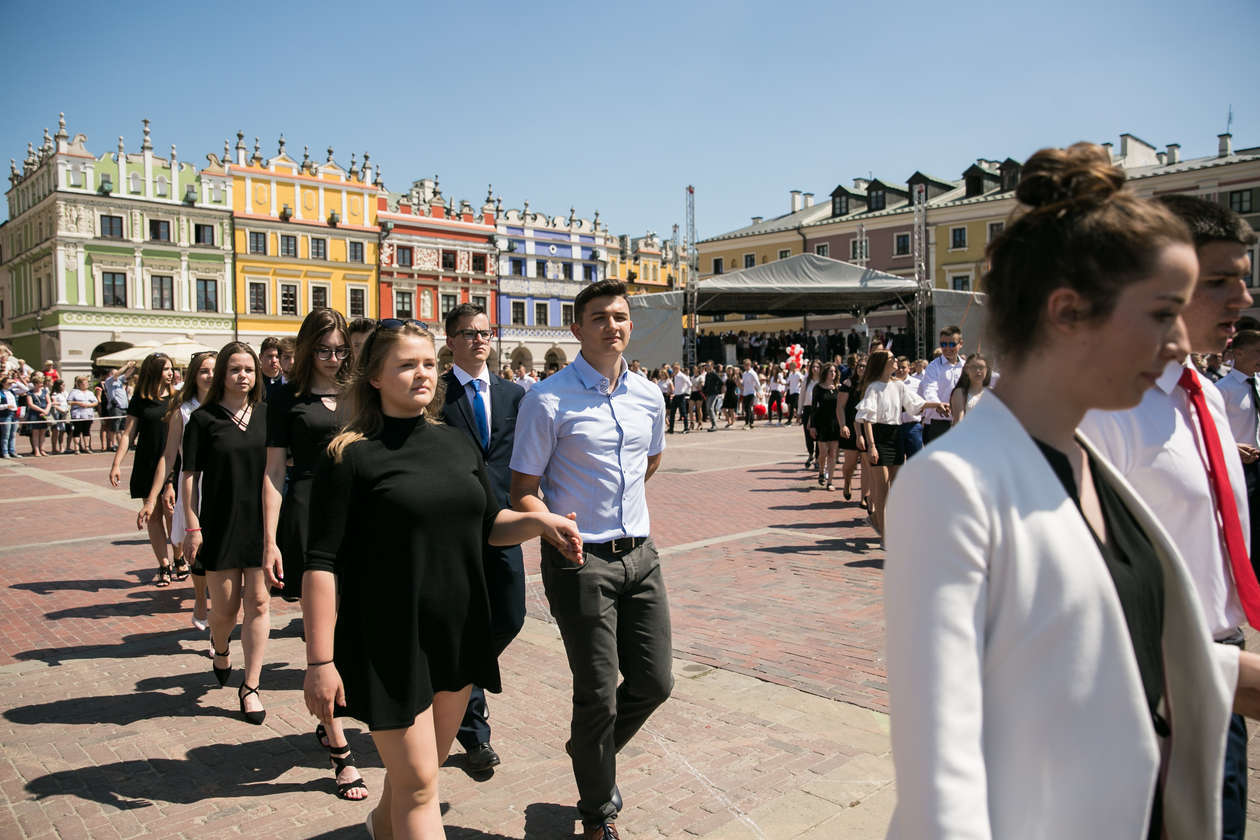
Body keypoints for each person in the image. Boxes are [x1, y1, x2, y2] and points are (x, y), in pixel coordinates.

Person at [885, 141, 1260, 839]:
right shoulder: (953, 483)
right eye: (1160, 314)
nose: (1177, 345)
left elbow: (1119, 651)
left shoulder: (1089, 463)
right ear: (1067, 312)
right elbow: (944, 786)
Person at [302, 319, 581, 840]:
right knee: (421, 786)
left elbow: (490, 525)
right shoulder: (349, 455)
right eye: (407, 365)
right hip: (389, 640)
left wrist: (540, 523)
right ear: (375, 377)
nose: (423, 374)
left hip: (458, 632)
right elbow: (320, 564)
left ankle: (381, 827)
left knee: (419, 775)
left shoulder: (456, 443)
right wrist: (320, 662)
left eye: (429, 363)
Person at [1079, 193, 1260, 839]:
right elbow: (1086, 596)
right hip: (1148, 697)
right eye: (1220, 281)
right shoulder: (1104, 405)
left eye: (1244, 279)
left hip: (1218, 678)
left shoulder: (1202, 391)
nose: (1242, 298)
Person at [510, 280, 673, 840]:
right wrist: (551, 523)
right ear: (577, 328)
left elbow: (649, 462)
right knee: (598, 692)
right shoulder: (546, 399)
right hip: (579, 561)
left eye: (620, 316)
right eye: (599, 317)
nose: (612, 326)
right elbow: (523, 490)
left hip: (641, 556)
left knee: (655, 681)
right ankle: (599, 811)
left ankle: (587, 748)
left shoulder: (648, 395)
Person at [259, 310, 366, 798]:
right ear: (306, 350)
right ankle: (338, 745)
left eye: (341, 349)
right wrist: (269, 540)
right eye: (323, 349)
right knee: (322, 631)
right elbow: (273, 471)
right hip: (308, 512)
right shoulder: (285, 397)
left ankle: (337, 713)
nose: (333, 358)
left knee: (354, 625)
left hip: (359, 511)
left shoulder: (360, 391)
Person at [437, 302, 528, 774]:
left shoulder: (513, 395)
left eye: (484, 332)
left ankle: (461, 676)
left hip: (503, 523)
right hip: (453, 528)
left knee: (511, 615)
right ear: (450, 341)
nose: (479, 340)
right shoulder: (436, 395)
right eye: (469, 333)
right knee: (465, 621)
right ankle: (475, 735)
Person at [181, 342, 273, 725]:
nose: (243, 376)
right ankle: (220, 648)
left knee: (260, 603)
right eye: (235, 369)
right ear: (222, 374)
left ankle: (250, 686)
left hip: (261, 523)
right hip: (219, 525)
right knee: (224, 610)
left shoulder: (268, 415)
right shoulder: (203, 419)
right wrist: (192, 525)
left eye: (249, 369)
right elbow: (189, 475)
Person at [144, 351, 216, 630]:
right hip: (192, 485)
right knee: (197, 550)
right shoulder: (183, 411)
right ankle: (200, 598)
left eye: (214, 370)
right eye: (204, 371)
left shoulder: (229, 405)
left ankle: (218, 619)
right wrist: (153, 496)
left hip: (223, 485)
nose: (210, 376)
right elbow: (168, 456)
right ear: (193, 376)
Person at [857, 350, 943, 539]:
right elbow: (867, 419)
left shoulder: (898, 385)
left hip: (896, 435)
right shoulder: (873, 387)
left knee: (894, 488)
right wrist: (871, 445)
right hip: (879, 436)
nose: (895, 361)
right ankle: (885, 535)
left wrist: (936, 405)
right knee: (882, 489)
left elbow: (915, 404)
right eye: (892, 358)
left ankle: (878, 520)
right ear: (883, 363)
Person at [109, 353, 176, 586]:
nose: (171, 373)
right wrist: (116, 463)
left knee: (172, 513)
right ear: (154, 372)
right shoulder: (141, 399)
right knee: (154, 516)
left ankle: (179, 556)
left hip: (172, 463)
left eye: (171, 368)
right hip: (147, 462)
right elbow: (129, 434)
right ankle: (164, 565)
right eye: (166, 369)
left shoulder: (177, 398)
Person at [1215, 329, 1260, 578]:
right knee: (1246, 521)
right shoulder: (1222, 390)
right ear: (1239, 353)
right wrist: (1232, 448)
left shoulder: (1259, 384)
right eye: (1258, 351)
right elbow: (1213, 430)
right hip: (1241, 467)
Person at [917, 326, 963, 443]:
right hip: (939, 423)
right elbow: (929, 389)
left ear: (960, 344)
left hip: (963, 422)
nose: (947, 348)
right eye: (943, 344)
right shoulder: (933, 367)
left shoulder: (965, 367)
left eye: (952, 344)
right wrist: (938, 404)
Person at [836, 358, 866, 502]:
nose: (861, 368)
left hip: (867, 427)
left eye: (864, 366)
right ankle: (847, 481)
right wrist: (843, 425)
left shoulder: (872, 384)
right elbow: (840, 407)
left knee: (867, 465)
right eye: (859, 366)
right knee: (850, 463)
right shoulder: (848, 384)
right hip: (850, 426)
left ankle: (865, 497)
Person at [807, 364, 841, 490]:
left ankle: (830, 481)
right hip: (822, 423)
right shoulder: (818, 388)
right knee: (823, 452)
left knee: (833, 453)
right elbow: (814, 407)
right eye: (830, 371)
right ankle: (821, 471)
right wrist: (812, 425)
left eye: (835, 371)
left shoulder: (838, 388)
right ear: (825, 373)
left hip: (835, 423)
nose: (833, 373)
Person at [948, 354, 991, 426]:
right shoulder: (960, 392)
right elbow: (959, 421)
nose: (978, 371)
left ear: (987, 370)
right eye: (974, 367)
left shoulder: (992, 393)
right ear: (966, 369)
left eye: (981, 367)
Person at [101, 362, 135, 452]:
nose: (118, 374)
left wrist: (133, 366)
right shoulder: (109, 381)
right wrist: (126, 365)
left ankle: (121, 444)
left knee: (122, 428)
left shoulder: (119, 381)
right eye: (115, 372)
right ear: (110, 374)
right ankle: (113, 444)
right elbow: (117, 374)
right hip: (115, 407)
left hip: (124, 407)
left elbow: (127, 374)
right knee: (114, 427)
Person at [800, 359, 822, 468]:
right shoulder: (806, 380)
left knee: (818, 434)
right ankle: (810, 454)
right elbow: (802, 396)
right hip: (808, 408)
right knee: (808, 433)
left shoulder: (822, 381)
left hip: (818, 410)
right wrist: (799, 411)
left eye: (817, 367)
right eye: (813, 367)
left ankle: (818, 458)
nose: (815, 369)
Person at [23, 373, 50, 456]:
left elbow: (49, 402)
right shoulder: (30, 393)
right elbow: (30, 404)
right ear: (35, 384)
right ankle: (36, 450)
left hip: (44, 414)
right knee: (35, 433)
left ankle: (42, 449)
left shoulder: (45, 392)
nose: (41, 385)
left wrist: (46, 411)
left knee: (43, 432)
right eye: (39, 383)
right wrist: (42, 410)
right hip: (34, 414)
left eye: (42, 383)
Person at [259, 336, 285, 401]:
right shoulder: (254, 380)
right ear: (260, 357)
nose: (274, 360)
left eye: (277, 357)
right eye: (270, 356)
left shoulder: (286, 381)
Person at [49, 379, 69, 455]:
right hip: (56, 414)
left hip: (64, 413)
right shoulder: (54, 394)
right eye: (62, 385)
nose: (64, 386)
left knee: (62, 431)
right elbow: (54, 404)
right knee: (55, 431)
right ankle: (54, 448)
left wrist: (67, 410)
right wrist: (61, 410)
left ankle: (61, 446)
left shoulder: (65, 393)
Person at [668, 364, 690, 434]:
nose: (674, 370)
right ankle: (671, 428)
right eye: (673, 368)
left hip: (681, 396)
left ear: (678, 368)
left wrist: (684, 391)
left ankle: (686, 428)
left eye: (675, 368)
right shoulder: (675, 376)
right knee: (672, 413)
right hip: (676, 395)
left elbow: (689, 384)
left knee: (683, 413)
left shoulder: (682, 376)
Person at [703, 361, 724, 430]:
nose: (707, 367)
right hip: (708, 393)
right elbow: (706, 384)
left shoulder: (714, 374)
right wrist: (704, 390)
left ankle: (714, 425)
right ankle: (713, 424)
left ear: (712, 366)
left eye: (708, 365)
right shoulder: (707, 375)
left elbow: (721, 382)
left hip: (714, 393)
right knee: (708, 409)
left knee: (710, 408)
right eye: (706, 365)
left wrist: (717, 389)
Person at [740, 358, 758, 429]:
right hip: (745, 393)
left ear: (749, 365)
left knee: (748, 407)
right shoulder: (744, 373)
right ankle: (750, 423)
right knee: (746, 408)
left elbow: (757, 382)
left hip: (751, 392)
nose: (745, 366)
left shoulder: (752, 373)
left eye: (746, 365)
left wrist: (759, 391)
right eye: (744, 365)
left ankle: (748, 423)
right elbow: (743, 384)